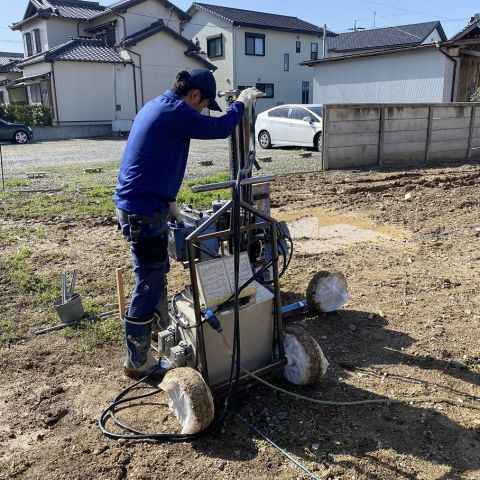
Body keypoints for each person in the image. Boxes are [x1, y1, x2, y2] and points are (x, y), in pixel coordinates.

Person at [114, 69, 262, 378]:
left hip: (142, 204)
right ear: (195, 95)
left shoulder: (159, 105)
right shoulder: (176, 111)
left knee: (155, 272)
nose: (201, 111)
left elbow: (153, 157)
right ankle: (138, 361)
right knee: (149, 279)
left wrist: (169, 200)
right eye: (204, 104)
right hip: (143, 210)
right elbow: (222, 128)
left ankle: (157, 334)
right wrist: (242, 105)